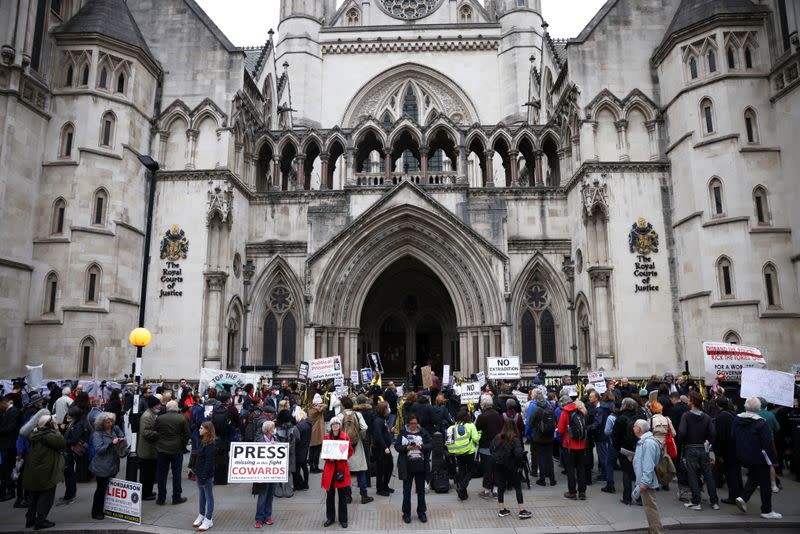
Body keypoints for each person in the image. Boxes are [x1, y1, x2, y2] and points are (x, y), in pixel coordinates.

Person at [732, 397, 782, 519]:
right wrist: (773, 460)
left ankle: (743, 498)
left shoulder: (737, 419)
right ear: (759, 408)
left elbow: (732, 436)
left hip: (743, 455)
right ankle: (766, 510)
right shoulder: (761, 423)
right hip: (759, 456)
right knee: (765, 483)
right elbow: (767, 443)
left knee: (754, 476)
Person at [22, 414, 64, 530]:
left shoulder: (35, 433)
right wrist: (57, 431)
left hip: (34, 470)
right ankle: (40, 521)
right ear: (50, 424)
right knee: (46, 496)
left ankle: (30, 519)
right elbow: (61, 443)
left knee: (34, 496)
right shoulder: (49, 436)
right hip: (46, 471)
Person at [678, 391, 719, 511]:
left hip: (691, 447)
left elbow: (681, 432)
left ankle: (696, 501)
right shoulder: (706, 417)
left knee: (692, 474)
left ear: (691, 401)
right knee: (708, 474)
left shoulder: (686, 416)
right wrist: (708, 442)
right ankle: (714, 501)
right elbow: (713, 433)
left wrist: (683, 441)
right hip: (703, 447)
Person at [491, 419, 531, 519]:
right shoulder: (514, 438)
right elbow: (518, 454)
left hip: (499, 465)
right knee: (517, 487)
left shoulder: (498, 437)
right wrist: (519, 465)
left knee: (501, 487)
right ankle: (521, 510)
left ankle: (502, 509)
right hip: (512, 466)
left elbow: (491, 449)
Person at [395, 414, 431, 524]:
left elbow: (431, 444)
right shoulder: (403, 432)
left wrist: (422, 447)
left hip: (420, 466)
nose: (413, 426)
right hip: (407, 466)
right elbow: (397, 446)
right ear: (408, 424)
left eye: (415, 423)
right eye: (411, 423)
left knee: (421, 491)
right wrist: (407, 448)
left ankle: (421, 512)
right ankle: (406, 513)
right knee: (407, 491)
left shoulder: (423, 432)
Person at [89, 412, 125, 520]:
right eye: (107, 422)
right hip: (102, 466)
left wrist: (121, 439)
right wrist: (111, 444)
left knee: (109, 489)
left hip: (112, 464)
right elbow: (99, 449)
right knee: (101, 489)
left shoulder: (114, 430)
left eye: (111, 421)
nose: (110, 424)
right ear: (102, 423)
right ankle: (96, 512)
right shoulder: (97, 434)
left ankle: (107, 508)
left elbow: (122, 437)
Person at [154, 400, 190, 505]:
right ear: (176, 408)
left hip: (162, 449)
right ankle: (176, 497)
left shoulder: (160, 418)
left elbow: (155, 431)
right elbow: (187, 434)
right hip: (176, 449)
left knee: (162, 474)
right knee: (176, 474)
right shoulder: (181, 418)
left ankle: (161, 498)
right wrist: (182, 444)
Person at [632, 419, 664, 534]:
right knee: (649, 508)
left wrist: (644, 483)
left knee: (651, 509)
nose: (633, 428)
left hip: (646, 482)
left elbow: (648, 465)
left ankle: (657, 531)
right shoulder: (645, 441)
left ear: (639, 429)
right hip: (645, 481)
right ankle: (653, 530)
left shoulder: (648, 443)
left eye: (634, 426)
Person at [322, 416, 353, 528]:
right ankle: (330, 518)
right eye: (333, 424)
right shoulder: (326, 437)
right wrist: (328, 458)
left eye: (337, 423)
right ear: (331, 426)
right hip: (330, 470)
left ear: (340, 425)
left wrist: (343, 457)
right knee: (329, 496)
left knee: (342, 496)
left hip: (341, 469)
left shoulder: (345, 437)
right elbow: (324, 453)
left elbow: (350, 451)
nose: (335, 425)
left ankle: (343, 519)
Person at [340, 397, 372, 504]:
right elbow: (365, 427)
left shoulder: (339, 416)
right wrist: (359, 437)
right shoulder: (358, 415)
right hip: (357, 445)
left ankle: (348, 495)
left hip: (344, 447)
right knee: (361, 470)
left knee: (346, 471)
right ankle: (364, 495)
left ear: (343, 406)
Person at [59, 404, 90, 506]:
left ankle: (69, 496)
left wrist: (62, 441)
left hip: (70, 452)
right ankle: (69, 494)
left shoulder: (78, 425)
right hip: (70, 452)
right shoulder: (76, 423)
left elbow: (73, 439)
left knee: (69, 475)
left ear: (75, 415)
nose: (67, 416)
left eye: (69, 415)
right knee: (69, 474)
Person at [558, 397, 588, 500]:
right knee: (581, 469)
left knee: (570, 469)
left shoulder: (565, 412)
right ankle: (582, 492)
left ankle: (572, 492)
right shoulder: (582, 412)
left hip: (569, 445)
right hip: (582, 444)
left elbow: (561, 429)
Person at [446, 408, 480, 500]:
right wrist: (480, 434)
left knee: (461, 471)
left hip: (458, 452)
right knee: (471, 470)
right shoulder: (471, 425)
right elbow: (476, 439)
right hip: (469, 452)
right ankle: (462, 486)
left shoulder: (455, 426)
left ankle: (463, 494)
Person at [713, 397, 741, 504]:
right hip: (736, 448)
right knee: (736, 472)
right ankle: (739, 494)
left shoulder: (722, 417)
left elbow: (720, 436)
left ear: (717, 404)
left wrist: (718, 453)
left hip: (727, 449)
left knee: (730, 474)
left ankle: (733, 497)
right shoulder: (734, 414)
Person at [475, 394, 503, 499]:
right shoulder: (497, 414)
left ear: (484, 404)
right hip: (497, 445)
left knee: (487, 469)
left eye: (481, 403)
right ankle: (495, 490)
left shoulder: (482, 416)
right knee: (496, 468)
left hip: (485, 446)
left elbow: (477, 428)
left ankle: (487, 491)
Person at [527, 390, 556, 487]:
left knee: (541, 458)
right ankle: (552, 479)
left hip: (539, 437)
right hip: (550, 437)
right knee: (549, 458)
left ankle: (542, 479)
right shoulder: (551, 408)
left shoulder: (537, 410)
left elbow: (530, 423)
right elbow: (555, 421)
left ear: (537, 401)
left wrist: (536, 426)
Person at [192, 421, 216, 531]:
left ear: (207, 430)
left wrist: (204, 476)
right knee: (202, 495)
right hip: (199, 472)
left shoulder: (210, 445)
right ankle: (201, 514)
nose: (199, 429)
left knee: (208, 496)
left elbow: (209, 462)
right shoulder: (202, 441)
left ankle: (208, 519)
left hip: (205, 475)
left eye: (201, 428)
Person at [254, 420, 279, 527]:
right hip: (263, 474)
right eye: (273, 427)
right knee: (262, 496)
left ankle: (268, 516)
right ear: (268, 429)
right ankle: (259, 519)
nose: (275, 429)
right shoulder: (259, 441)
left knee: (270, 496)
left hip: (272, 473)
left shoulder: (275, 439)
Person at [138, 396, 161, 501]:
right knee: (146, 474)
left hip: (150, 450)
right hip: (147, 450)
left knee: (150, 473)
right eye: (158, 404)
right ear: (153, 405)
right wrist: (158, 433)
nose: (159, 406)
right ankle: (145, 494)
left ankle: (148, 491)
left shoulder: (152, 414)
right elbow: (145, 432)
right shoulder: (147, 416)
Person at [372, 401, 395, 496]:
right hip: (381, 449)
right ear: (383, 409)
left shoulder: (383, 419)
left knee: (389, 467)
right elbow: (378, 436)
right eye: (387, 407)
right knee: (381, 469)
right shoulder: (378, 421)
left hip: (385, 448)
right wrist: (385, 447)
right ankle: (380, 488)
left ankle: (385, 485)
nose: (389, 409)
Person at [0, 394, 21, 502]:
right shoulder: (5, 412)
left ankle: (11, 491)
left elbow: (11, 427)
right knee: (4, 469)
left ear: (3, 403)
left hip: (9, 445)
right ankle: (5, 489)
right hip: (4, 444)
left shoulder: (13, 411)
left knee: (7, 468)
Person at [307, 394, 326, 473]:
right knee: (316, 451)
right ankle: (315, 466)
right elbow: (325, 406)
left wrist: (317, 405)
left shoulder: (310, 409)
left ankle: (312, 466)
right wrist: (319, 405)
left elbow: (324, 406)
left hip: (312, 432)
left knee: (312, 450)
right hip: (316, 433)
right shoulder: (315, 410)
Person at [294, 409, 312, 491]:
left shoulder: (299, 426)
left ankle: (299, 484)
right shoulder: (308, 425)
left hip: (298, 449)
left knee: (297, 468)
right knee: (304, 467)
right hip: (305, 448)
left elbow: (296, 439)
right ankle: (306, 483)